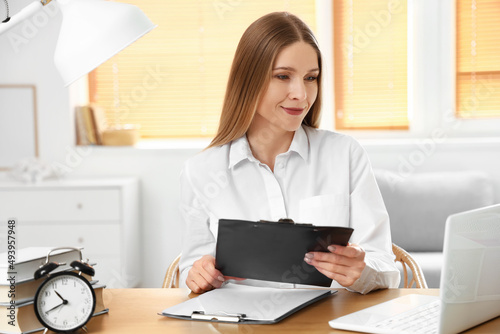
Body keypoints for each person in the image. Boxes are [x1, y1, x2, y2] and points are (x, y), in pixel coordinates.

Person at [178, 12, 400, 294]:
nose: (301, 94)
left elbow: (387, 269)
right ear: (248, 80)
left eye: (311, 78)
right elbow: (188, 271)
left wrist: (361, 272)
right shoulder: (201, 171)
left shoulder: (344, 155)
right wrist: (199, 276)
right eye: (283, 76)